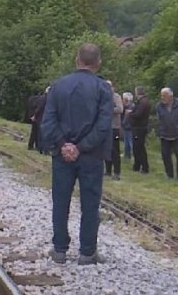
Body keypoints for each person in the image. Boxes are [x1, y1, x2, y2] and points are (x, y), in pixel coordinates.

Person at [41, 43, 113, 266]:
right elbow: (103, 126)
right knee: (90, 203)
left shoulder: (58, 86)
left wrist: (64, 144)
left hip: (62, 155)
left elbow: (48, 122)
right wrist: (81, 147)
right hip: (91, 155)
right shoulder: (103, 89)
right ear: (98, 62)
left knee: (60, 200)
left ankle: (60, 249)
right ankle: (87, 252)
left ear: (77, 60)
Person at [156, 88, 178, 181]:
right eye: (161, 96)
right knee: (165, 154)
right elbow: (159, 119)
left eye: (164, 96)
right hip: (165, 134)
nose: (162, 98)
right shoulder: (159, 106)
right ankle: (169, 175)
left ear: (171, 96)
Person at [104, 81, 123, 180]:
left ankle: (117, 172)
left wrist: (108, 110)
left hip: (114, 127)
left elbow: (120, 109)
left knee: (115, 150)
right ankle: (108, 170)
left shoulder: (116, 97)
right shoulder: (103, 96)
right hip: (105, 126)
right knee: (106, 149)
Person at [130, 86, 151, 173]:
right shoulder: (145, 101)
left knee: (138, 147)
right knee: (138, 147)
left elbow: (138, 114)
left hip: (139, 128)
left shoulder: (142, 102)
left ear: (137, 92)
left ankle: (143, 166)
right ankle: (138, 165)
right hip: (140, 127)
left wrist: (130, 114)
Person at [33, 89, 49, 154]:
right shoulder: (45, 99)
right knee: (43, 134)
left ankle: (41, 149)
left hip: (41, 118)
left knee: (41, 134)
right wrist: (35, 116)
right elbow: (39, 108)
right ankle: (43, 149)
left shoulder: (43, 98)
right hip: (43, 118)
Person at [121, 92, 134, 160]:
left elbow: (128, 118)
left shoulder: (131, 106)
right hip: (126, 127)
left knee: (130, 142)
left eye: (123, 99)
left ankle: (132, 155)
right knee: (126, 142)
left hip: (130, 127)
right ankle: (126, 154)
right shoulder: (125, 107)